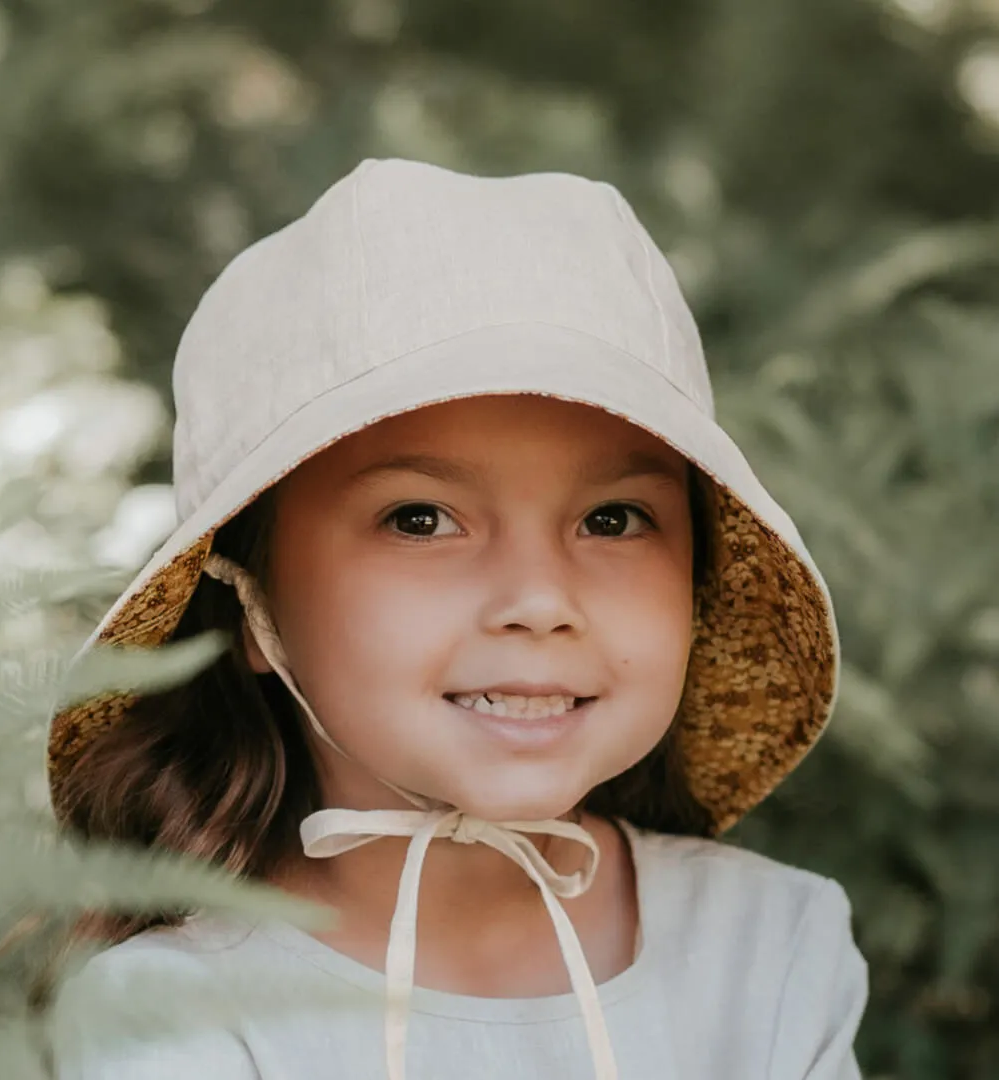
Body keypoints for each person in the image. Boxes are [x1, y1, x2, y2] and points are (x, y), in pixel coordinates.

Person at [47, 157, 868, 1080]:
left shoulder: (774, 952)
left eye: (612, 520)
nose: (539, 601)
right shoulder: (178, 1015)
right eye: (420, 519)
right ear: (253, 605)